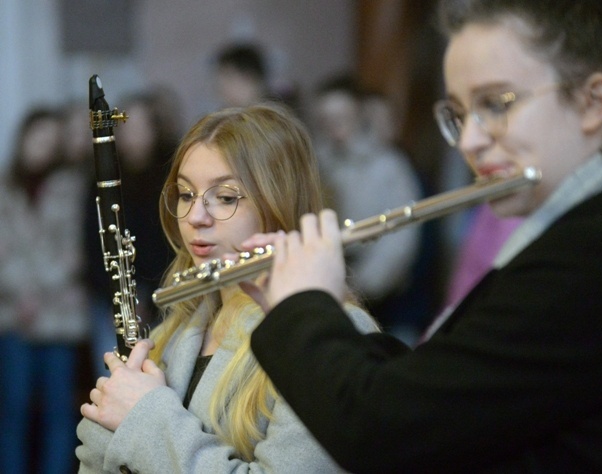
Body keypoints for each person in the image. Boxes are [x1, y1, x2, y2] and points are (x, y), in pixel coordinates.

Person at [240, 1, 602, 472]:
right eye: (459, 113)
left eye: (495, 104)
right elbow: (440, 395)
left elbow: (388, 432)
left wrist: (302, 309)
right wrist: (314, 303)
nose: (470, 140)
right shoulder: (598, 228)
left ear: (593, 101)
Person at [75, 104, 378, 473]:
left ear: (277, 201)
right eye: (186, 195)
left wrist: (144, 417)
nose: (195, 217)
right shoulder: (176, 330)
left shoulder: (337, 336)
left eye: (226, 197)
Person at [0, 107, 89, 474]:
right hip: (13, 312)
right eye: (38, 139)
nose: (43, 149)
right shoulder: (5, 187)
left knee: (59, 411)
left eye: (52, 143)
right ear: (23, 139)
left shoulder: (71, 187)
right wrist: (24, 292)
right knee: (13, 410)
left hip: (59, 315)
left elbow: (73, 252)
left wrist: (40, 289)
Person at [312, 74, 424, 343]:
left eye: (342, 118)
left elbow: (400, 241)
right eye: (327, 120)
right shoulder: (317, 163)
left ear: (359, 115)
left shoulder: (389, 166)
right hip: (330, 288)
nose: (335, 128)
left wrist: (359, 286)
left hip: (381, 297)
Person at [82, 91, 176, 377]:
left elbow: (171, 241)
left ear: (155, 130)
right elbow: (93, 240)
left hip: (161, 294)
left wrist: (148, 294)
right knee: (115, 373)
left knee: (163, 370)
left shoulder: (169, 174)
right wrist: (117, 295)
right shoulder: (97, 174)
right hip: (110, 295)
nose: (133, 136)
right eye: (127, 128)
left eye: (141, 127)